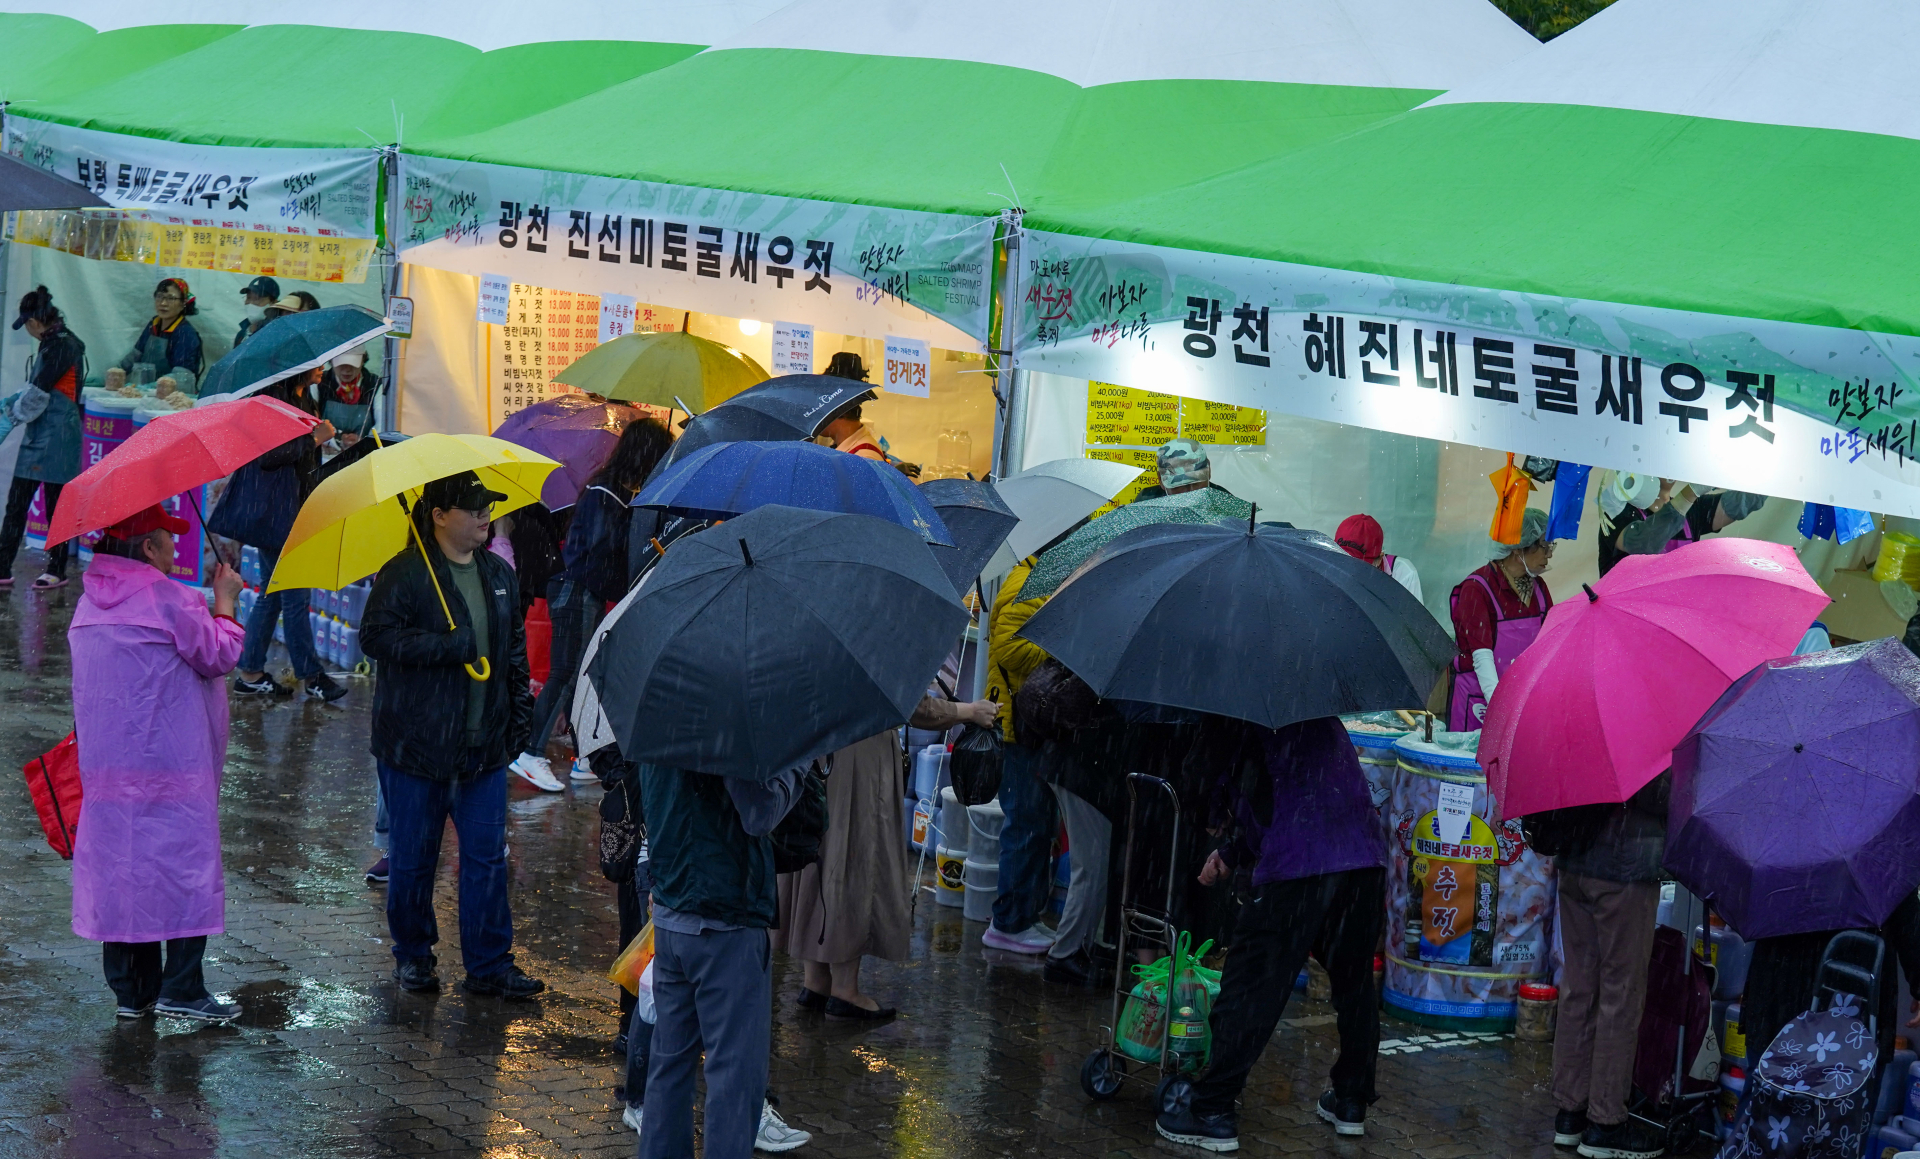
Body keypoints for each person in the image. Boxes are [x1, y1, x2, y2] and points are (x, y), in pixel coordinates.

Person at [1155, 717, 1387, 1151]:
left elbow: (1229, 792)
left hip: (1297, 869)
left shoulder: (1236, 717)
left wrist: (1213, 814)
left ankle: (1212, 1109)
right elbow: (1294, 795)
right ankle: (1351, 1100)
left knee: (1250, 985)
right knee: (1354, 985)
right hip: (1362, 861)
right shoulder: (1312, 709)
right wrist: (1231, 852)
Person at [358, 470, 542, 1000]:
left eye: (488, 506)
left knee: (487, 858)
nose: (485, 515)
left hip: (483, 749)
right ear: (439, 516)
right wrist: (446, 646)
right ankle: (413, 956)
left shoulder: (498, 574)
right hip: (415, 749)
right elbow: (376, 637)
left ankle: (490, 963)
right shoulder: (406, 573)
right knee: (414, 859)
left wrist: (519, 720)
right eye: (472, 507)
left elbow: (511, 651)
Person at [68, 505, 247, 1021]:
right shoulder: (169, 599)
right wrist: (225, 602)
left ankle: (133, 992)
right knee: (182, 873)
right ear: (148, 548)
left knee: (123, 876)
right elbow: (219, 655)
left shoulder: (87, 605)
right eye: (169, 541)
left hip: (108, 773)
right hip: (172, 766)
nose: (175, 550)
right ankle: (183, 988)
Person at [776, 692, 994, 1019]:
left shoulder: (815, 645)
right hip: (861, 763)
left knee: (818, 861)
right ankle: (845, 990)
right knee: (854, 865)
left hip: (817, 751)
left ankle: (816, 980)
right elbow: (910, 705)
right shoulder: (871, 646)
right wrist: (969, 711)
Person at [639, 758, 811, 1159]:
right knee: (734, 1076)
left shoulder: (659, 706)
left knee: (670, 1066)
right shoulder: (723, 716)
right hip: (725, 916)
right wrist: (798, 766)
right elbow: (759, 813)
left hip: (672, 910)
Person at [510, 417, 672, 791]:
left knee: (584, 676)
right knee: (568, 674)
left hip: (584, 592)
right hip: (577, 591)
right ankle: (530, 753)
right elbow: (599, 554)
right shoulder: (607, 492)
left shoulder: (613, 489)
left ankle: (586, 758)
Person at [1546, 775, 1672, 1159]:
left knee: (1579, 986)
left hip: (1576, 856)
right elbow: (1657, 794)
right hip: (1624, 868)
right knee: (1621, 993)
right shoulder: (1644, 730)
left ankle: (1570, 1111)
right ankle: (1605, 1123)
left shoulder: (1580, 720)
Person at [208, 368, 345, 702]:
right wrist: (315, 438)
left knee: (272, 594)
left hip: (293, 509)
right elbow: (268, 455)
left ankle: (251, 671)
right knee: (295, 597)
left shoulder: (302, 396)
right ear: (299, 368)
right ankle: (311, 676)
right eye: (318, 365)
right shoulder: (269, 402)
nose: (323, 369)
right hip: (278, 516)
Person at [981, 555, 1064, 960]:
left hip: (1031, 726)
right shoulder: (1025, 581)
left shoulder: (1041, 578)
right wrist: (1057, 650)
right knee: (1027, 825)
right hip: (1018, 727)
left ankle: (1023, 917)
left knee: (1037, 825)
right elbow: (1009, 648)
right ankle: (1008, 922)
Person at [1, 286, 85, 590]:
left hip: (59, 435)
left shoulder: (61, 346)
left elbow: (37, 397)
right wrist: (14, 400)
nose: (27, 330)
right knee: (17, 503)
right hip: (39, 433)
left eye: (26, 324)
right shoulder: (53, 342)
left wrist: (9, 419)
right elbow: (36, 388)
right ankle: (2, 566)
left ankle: (58, 569)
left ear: (35, 321)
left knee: (56, 507)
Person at [1447, 507, 1555, 731]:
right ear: (1518, 550)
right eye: (1544, 546)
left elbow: (1549, 646)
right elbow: (1482, 657)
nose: (1550, 554)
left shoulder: (1538, 588)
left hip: (1520, 701)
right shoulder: (1477, 589)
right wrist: (1500, 709)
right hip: (1479, 701)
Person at [111, 277, 204, 396]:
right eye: (160, 297)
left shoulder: (185, 333)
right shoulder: (153, 324)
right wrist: (115, 373)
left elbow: (182, 375)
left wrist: (149, 387)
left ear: (183, 304)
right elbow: (134, 356)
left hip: (174, 397)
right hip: (148, 394)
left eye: (171, 298)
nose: (163, 303)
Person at [1334, 513, 1423, 602]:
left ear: (1379, 558)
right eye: (1343, 560)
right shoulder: (1325, 568)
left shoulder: (1402, 574)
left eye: (1359, 565)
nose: (1349, 570)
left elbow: (1413, 615)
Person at [319, 350, 380, 446]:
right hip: (327, 452)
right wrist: (337, 440)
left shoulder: (375, 384)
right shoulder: (320, 383)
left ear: (362, 361)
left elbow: (381, 424)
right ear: (331, 361)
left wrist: (363, 442)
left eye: (353, 363)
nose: (347, 369)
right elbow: (312, 421)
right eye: (341, 364)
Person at [233, 275, 280, 346]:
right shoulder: (243, 333)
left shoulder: (275, 333)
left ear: (273, 303)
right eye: (248, 298)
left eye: (257, 299)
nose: (251, 304)